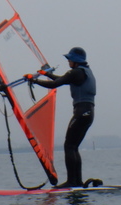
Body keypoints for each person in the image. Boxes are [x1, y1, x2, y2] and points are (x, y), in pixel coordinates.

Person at [31, 47, 96, 188]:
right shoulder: (84, 72)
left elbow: (56, 84)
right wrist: (45, 74)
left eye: (70, 59)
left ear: (76, 61)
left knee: (69, 146)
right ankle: (77, 181)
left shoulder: (77, 72)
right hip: (88, 113)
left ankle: (72, 181)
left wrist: (34, 81)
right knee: (73, 147)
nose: (68, 61)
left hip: (81, 112)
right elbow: (62, 79)